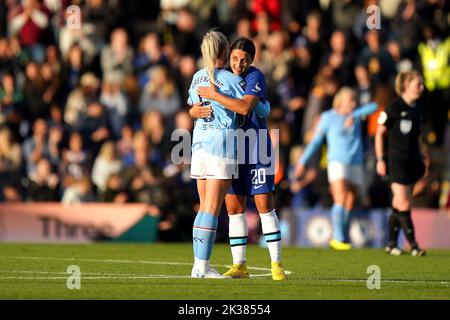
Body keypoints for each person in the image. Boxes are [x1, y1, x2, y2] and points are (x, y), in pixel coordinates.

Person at [191, 37, 286, 280]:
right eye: (234, 58)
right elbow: (194, 104)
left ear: (251, 60)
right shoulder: (219, 74)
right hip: (231, 147)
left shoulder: (255, 77)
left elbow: (247, 108)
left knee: (264, 204)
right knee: (234, 208)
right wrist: (194, 109)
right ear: (227, 55)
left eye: (243, 60)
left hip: (255, 146)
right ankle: (239, 265)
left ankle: (276, 264)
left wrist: (214, 95)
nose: (238, 63)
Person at [187, 30, 245, 279]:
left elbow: (193, 108)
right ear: (224, 52)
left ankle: (198, 265)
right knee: (211, 208)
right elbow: (247, 107)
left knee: (204, 208)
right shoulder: (231, 81)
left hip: (198, 145)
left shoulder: (198, 77)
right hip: (220, 146)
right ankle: (202, 266)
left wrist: (194, 112)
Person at [295, 87, 378, 250]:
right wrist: (302, 161)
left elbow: (374, 107)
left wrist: (353, 115)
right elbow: (316, 141)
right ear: (340, 101)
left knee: (350, 201)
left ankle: (343, 236)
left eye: (355, 100)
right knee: (340, 198)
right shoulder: (328, 117)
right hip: (337, 162)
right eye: (350, 100)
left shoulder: (357, 115)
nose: (354, 104)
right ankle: (338, 238)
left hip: (356, 162)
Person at [375, 70, 428, 257]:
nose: (421, 87)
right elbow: (379, 133)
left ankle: (391, 244)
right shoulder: (393, 107)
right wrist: (380, 159)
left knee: (399, 203)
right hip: (395, 161)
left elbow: (418, 137)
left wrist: (423, 156)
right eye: (418, 84)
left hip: (412, 161)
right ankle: (414, 246)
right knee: (404, 202)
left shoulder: (418, 109)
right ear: (406, 85)